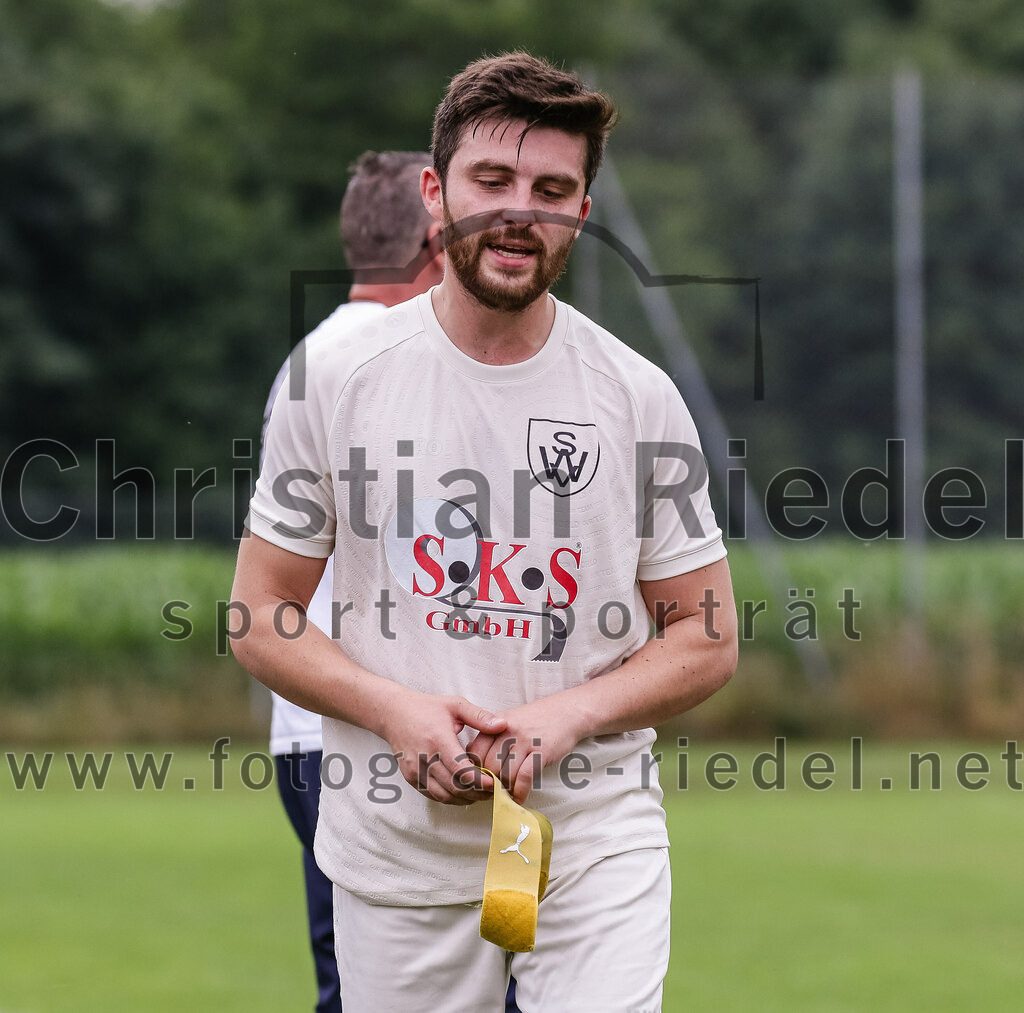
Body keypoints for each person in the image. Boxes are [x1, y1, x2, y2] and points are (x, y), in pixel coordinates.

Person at [233, 51, 737, 1012]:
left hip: (590, 834)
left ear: (581, 212)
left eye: (553, 188)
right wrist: (391, 709)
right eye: (491, 180)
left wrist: (571, 715)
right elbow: (260, 615)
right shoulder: (337, 380)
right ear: (436, 192)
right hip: (396, 842)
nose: (520, 210)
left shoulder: (636, 396)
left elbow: (706, 634)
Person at [261, 150, 444, 1013]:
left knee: (353, 985)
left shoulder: (311, 356)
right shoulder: (398, 362)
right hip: (383, 735)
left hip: (308, 729)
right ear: (437, 238)